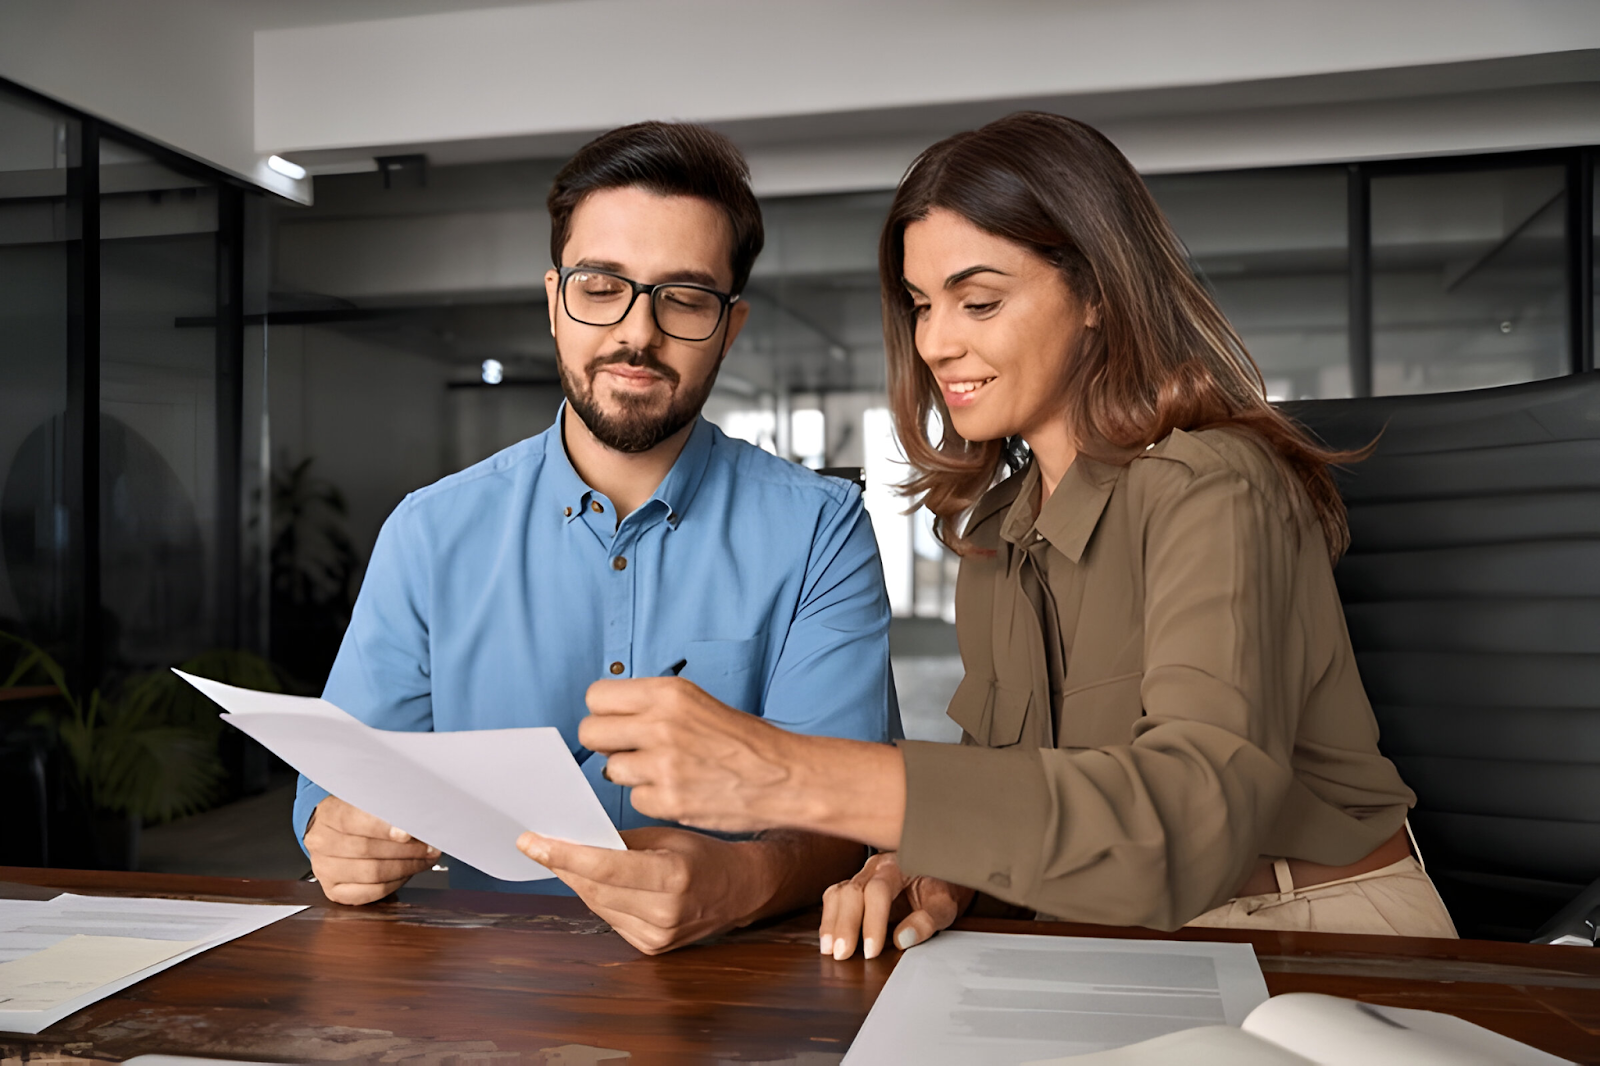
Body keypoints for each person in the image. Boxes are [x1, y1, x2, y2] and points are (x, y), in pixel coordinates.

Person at [569, 112, 1458, 961]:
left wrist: (792, 775)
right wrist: (940, 867)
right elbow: (1021, 791)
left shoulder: (1215, 485)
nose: (937, 343)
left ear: (1098, 296)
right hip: (1116, 938)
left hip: (1314, 930)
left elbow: (1187, 827)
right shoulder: (999, 531)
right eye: (921, 305)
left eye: (979, 301)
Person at [294, 121, 898, 955]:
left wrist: (741, 882)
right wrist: (337, 834)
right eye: (602, 285)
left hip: (743, 994)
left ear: (731, 325)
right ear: (554, 301)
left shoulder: (820, 532)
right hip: (486, 996)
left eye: (683, 298)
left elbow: (845, 815)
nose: (637, 333)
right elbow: (336, 784)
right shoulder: (430, 533)